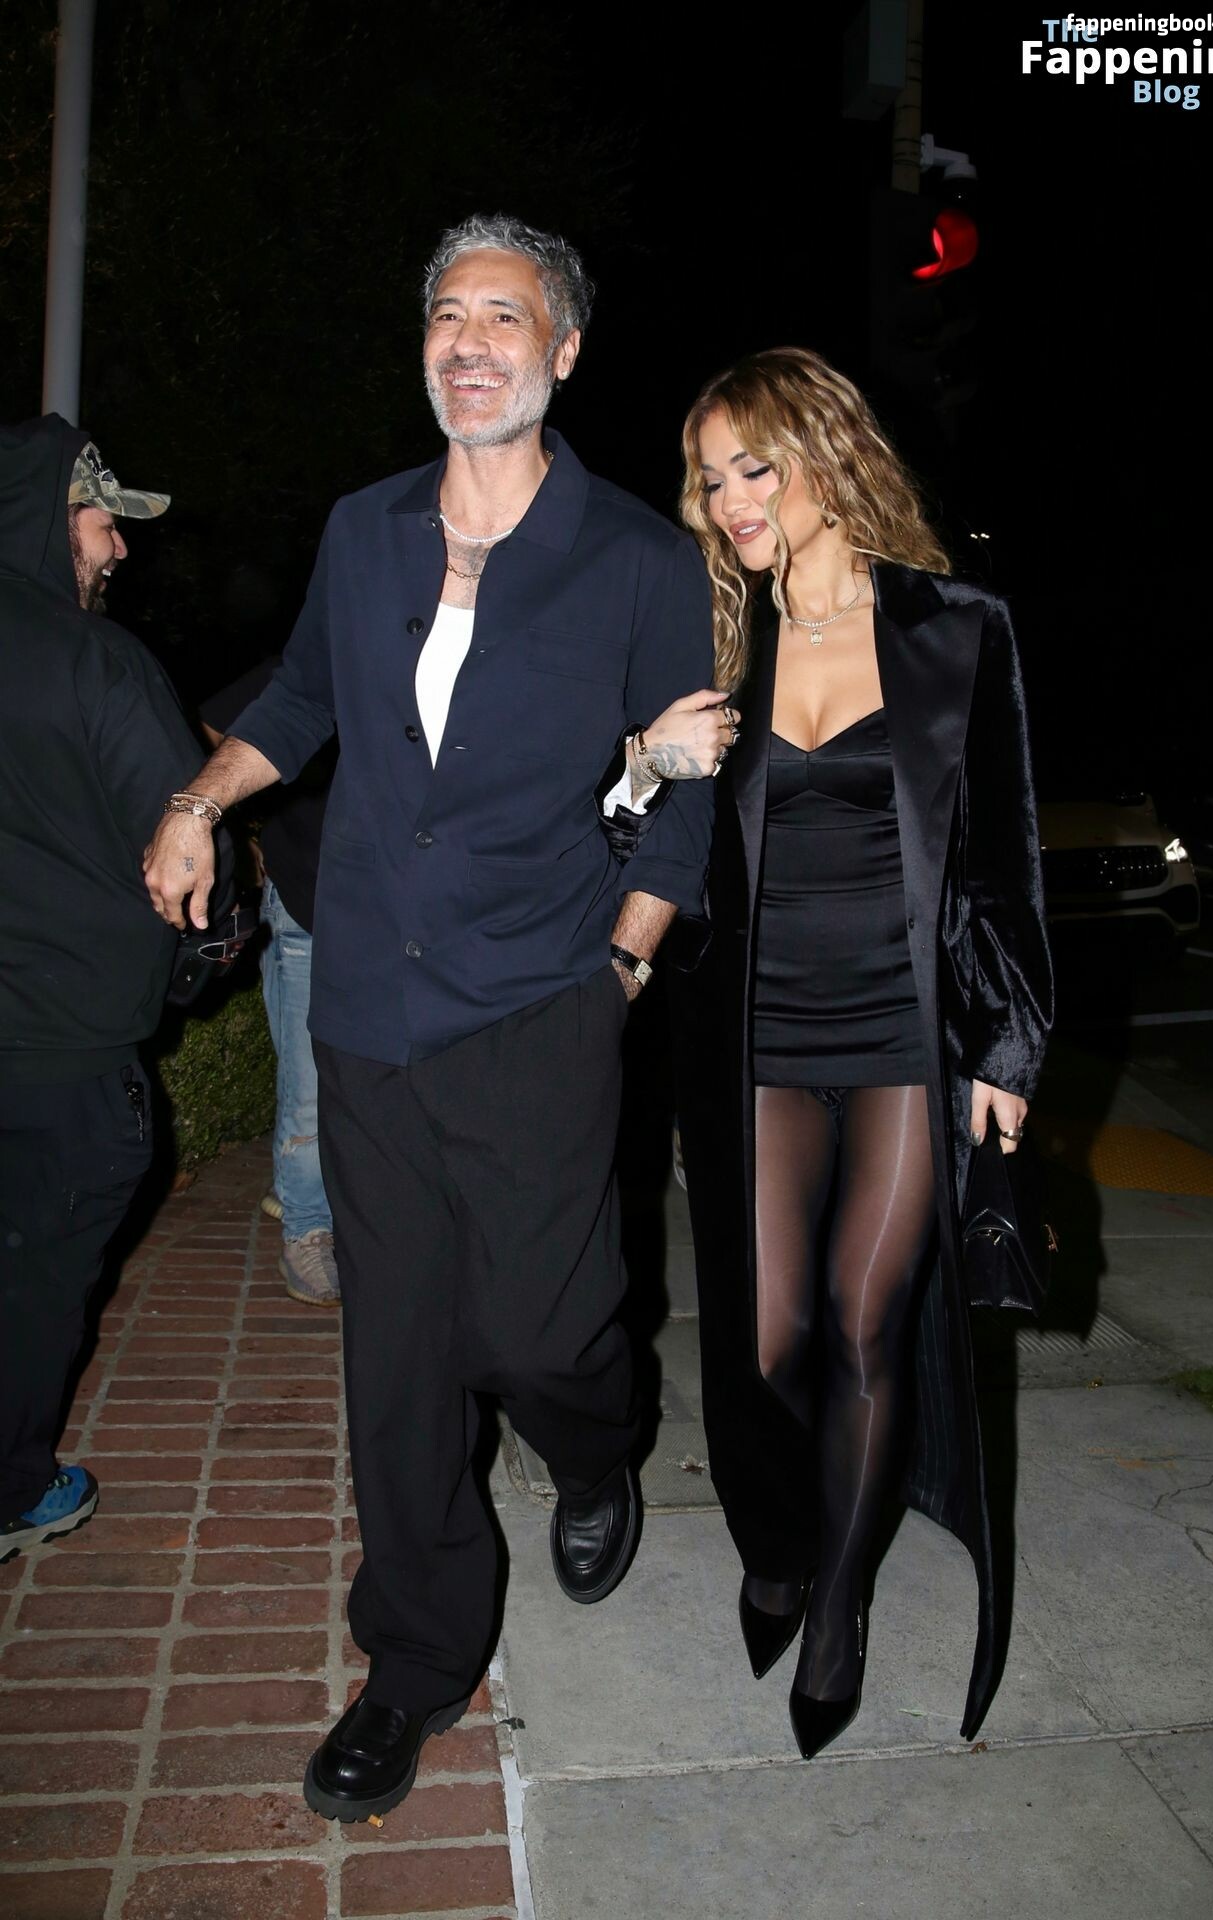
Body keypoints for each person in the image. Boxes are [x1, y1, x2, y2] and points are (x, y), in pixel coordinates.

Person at [141, 214, 723, 1823]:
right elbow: (305, 700)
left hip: (541, 1001)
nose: (469, 342)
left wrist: (620, 970)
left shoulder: (636, 560)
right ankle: (413, 1660)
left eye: (504, 316)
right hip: (371, 1009)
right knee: (398, 1352)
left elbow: (680, 802)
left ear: (565, 350)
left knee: (543, 1333)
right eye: (446, 315)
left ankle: (596, 1444)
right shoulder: (368, 528)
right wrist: (199, 799)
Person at [629, 348, 1053, 1757]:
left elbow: (1001, 858)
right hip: (754, 1037)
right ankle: (786, 1537)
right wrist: (640, 763)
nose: (731, 500)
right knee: (769, 1337)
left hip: (902, 1038)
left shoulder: (957, 630)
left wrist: (1008, 1045)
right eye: (711, 478)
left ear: (828, 453)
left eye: (755, 467)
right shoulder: (714, 644)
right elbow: (632, 831)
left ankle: (838, 1610)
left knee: (866, 1322)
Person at [0, 415, 221, 1561]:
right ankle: (13, 1485)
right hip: (64, 1053)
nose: (118, 548)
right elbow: (183, 861)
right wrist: (204, 957)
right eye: (101, 522)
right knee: (37, 1279)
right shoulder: (98, 664)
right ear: (48, 521)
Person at [202, 661, 340, 1306]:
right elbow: (215, 723)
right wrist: (251, 813)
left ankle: (295, 1190)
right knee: (308, 1080)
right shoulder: (321, 650)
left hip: (391, 910)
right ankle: (308, 1230)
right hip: (306, 895)